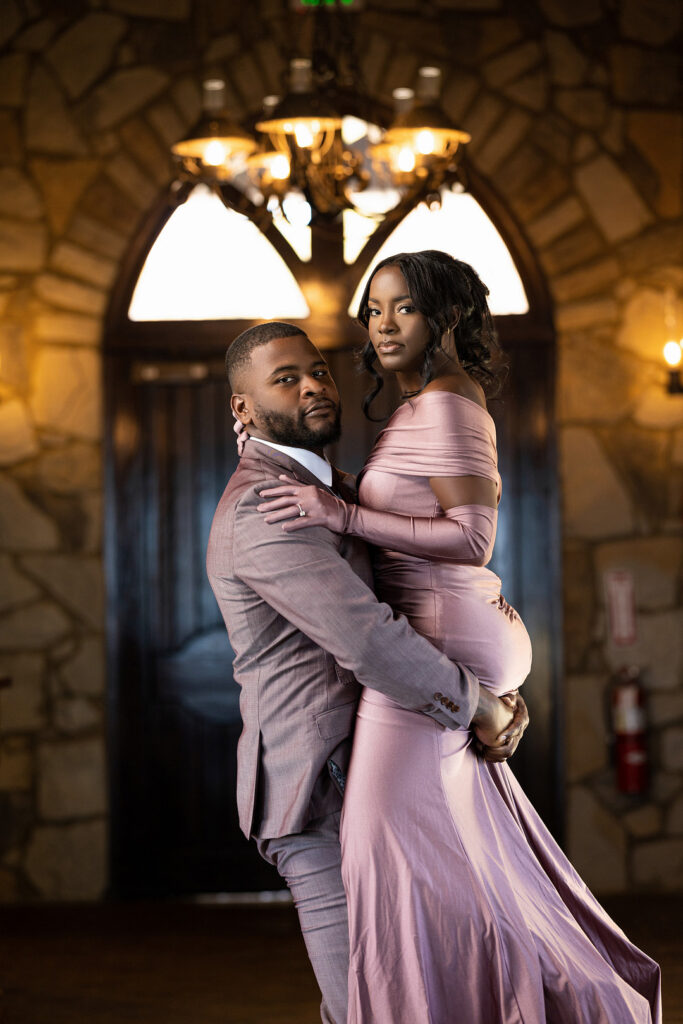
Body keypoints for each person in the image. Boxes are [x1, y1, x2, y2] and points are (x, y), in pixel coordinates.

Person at [257, 252, 662, 1024]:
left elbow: (470, 537)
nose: (381, 325)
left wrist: (343, 516)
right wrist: (342, 496)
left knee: (388, 861)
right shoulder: (426, 404)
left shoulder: (446, 402)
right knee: (458, 866)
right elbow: (414, 517)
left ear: (445, 319)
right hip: (451, 635)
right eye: (372, 310)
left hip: (441, 643)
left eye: (401, 308)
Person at [206, 320, 529, 1024]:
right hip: (318, 794)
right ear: (243, 407)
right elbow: (371, 641)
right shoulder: (263, 510)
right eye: (286, 378)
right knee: (369, 1007)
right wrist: (482, 708)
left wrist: (495, 685)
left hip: (388, 775)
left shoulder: (338, 491)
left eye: (318, 370)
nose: (314, 385)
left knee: (423, 994)